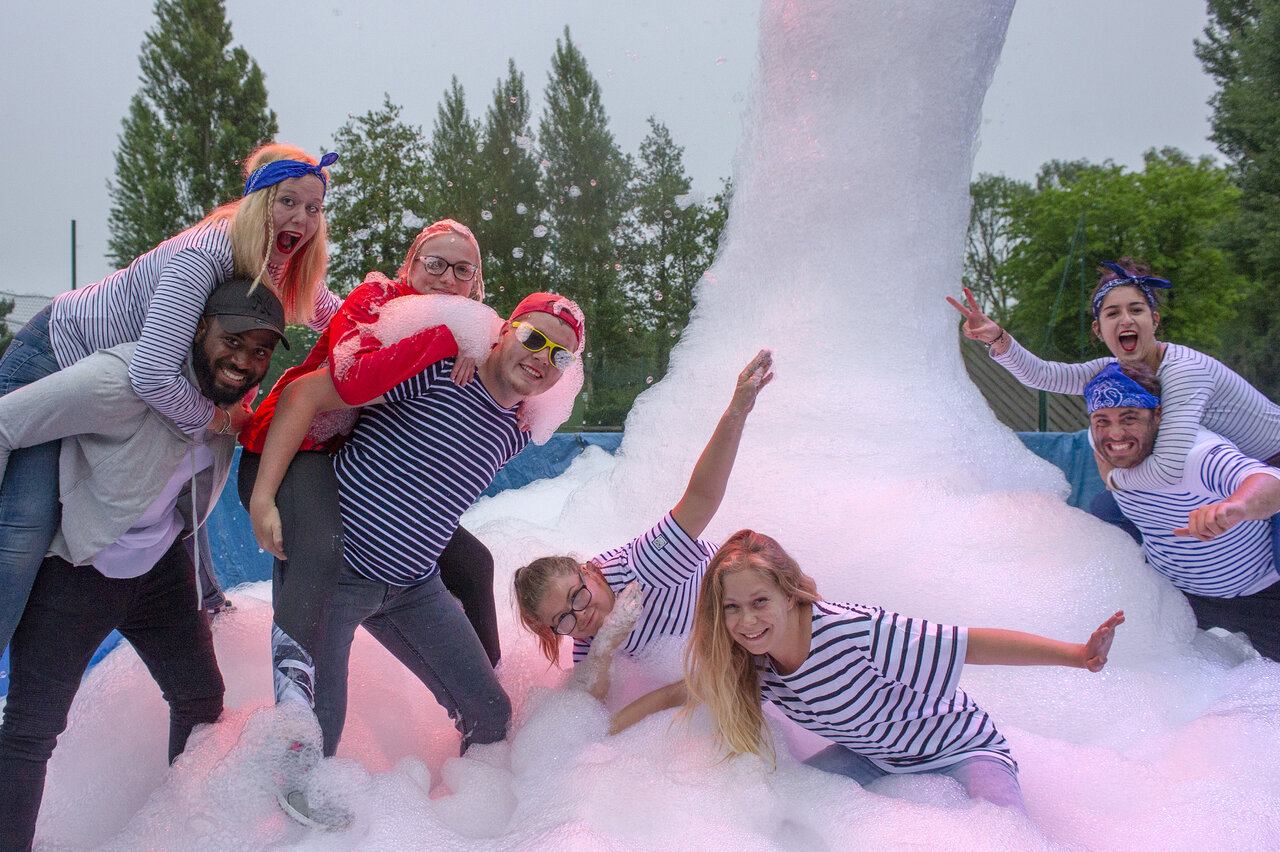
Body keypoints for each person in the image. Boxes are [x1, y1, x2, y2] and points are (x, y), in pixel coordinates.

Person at [0, 142, 342, 657]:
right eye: (287, 201)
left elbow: (338, 319)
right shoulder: (204, 255)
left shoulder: (277, 264)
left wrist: (430, 331)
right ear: (257, 203)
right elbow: (154, 376)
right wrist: (221, 420)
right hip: (56, 360)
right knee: (22, 537)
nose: (302, 217)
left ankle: (208, 604)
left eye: (313, 208)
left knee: (175, 484)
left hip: (116, 386)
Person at [0, 280, 288, 852]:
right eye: (233, 340)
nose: (244, 360)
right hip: (79, 568)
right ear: (198, 328)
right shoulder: (124, 378)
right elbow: (6, 420)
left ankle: (175, 832)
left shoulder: (228, 404)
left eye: (260, 350)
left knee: (201, 700)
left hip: (159, 570)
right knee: (32, 731)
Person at [249, 292, 585, 764]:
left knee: (490, 717)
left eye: (560, 354)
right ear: (505, 330)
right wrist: (264, 496)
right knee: (310, 745)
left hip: (414, 587)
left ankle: (469, 824)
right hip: (334, 572)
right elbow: (303, 394)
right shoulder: (436, 369)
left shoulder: (519, 428)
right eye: (534, 337)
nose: (542, 358)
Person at [613, 531, 1124, 813]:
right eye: (731, 608)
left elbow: (972, 644)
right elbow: (682, 693)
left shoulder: (855, 632)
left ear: (791, 596)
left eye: (760, 602)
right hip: (877, 758)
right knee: (782, 814)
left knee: (1003, 836)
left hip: (961, 749)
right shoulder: (750, 663)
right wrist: (594, 734)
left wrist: (1077, 654)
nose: (746, 622)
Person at [237, 218, 501, 717]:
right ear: (410, 266)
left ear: (476, 283)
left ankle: (489, 690)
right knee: (321, 548)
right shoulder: (377, 298)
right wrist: (263, 497)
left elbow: (519, 352)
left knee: (472, 562)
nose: (447, 278)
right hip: (286, 449)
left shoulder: (470, 328)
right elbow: (353, 382)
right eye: (435, 265)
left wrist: (475, 339)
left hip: (333, 453)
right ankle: (295, 697)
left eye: (462, 271)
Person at [948, 259, 1280, 536]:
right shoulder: (1113, 372)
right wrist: (997, 339)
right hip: (1227, 467)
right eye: (1112, 313)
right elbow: (1043, 375)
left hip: (1272, 460)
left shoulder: (1184, 370)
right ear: (1098, 329)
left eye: (1136, 309)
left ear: (1154, 320)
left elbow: (1167, 470)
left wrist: (1113, 477)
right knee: (1108, 511)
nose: (1125, 319)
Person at [514, 349, 774, 700]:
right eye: (563, 620)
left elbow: (701, 499)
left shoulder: (639, 567)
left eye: (577, 595)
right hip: (731, 651)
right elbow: (592, 704)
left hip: (757, 605)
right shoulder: (587, 639)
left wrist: (737, 411)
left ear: (590, 570)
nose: (581, 614)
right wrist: (605, 646)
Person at [1085, 361, 1280, 660]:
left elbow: (1269, 482)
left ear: (1158, 416)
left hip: (1256, 597)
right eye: (1102, 420)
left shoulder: (1195, 454)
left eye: (1129, 418)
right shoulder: (1100, 442)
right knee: (1102, 507)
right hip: (1178, 598)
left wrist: (1235, 506)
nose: (1116, 434)